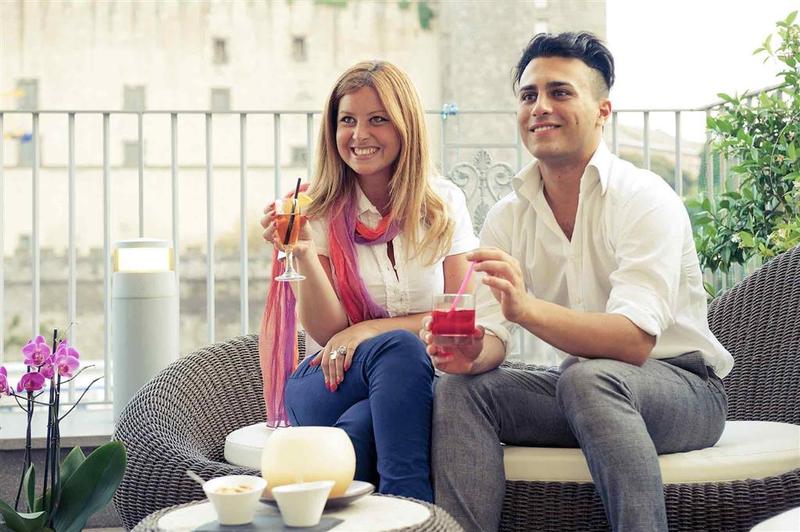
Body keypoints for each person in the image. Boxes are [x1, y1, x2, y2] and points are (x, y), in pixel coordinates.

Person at [420, 32, 734, 531]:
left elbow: (633, 341)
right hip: (583, 390)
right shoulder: (508, 216)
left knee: (589, 378)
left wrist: (526, 309)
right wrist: (470, 354)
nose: (540, 107)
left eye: (560, 92)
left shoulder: (643, 198)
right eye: (528, 95)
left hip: (683, 390)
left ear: (603, 111)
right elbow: (493, 335)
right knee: (460, 390)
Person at [261, 60, 478, 502]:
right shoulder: (315, 210)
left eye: (377, 119)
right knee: (401, 349)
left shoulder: (443, 204)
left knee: (363, 425)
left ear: (405, 126)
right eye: (347, 121)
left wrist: (369, 329)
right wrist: (302, 252)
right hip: (328, 379)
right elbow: (328, 333)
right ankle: (415, 510)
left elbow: (457, 317)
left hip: (420, 382)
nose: (359, 135)